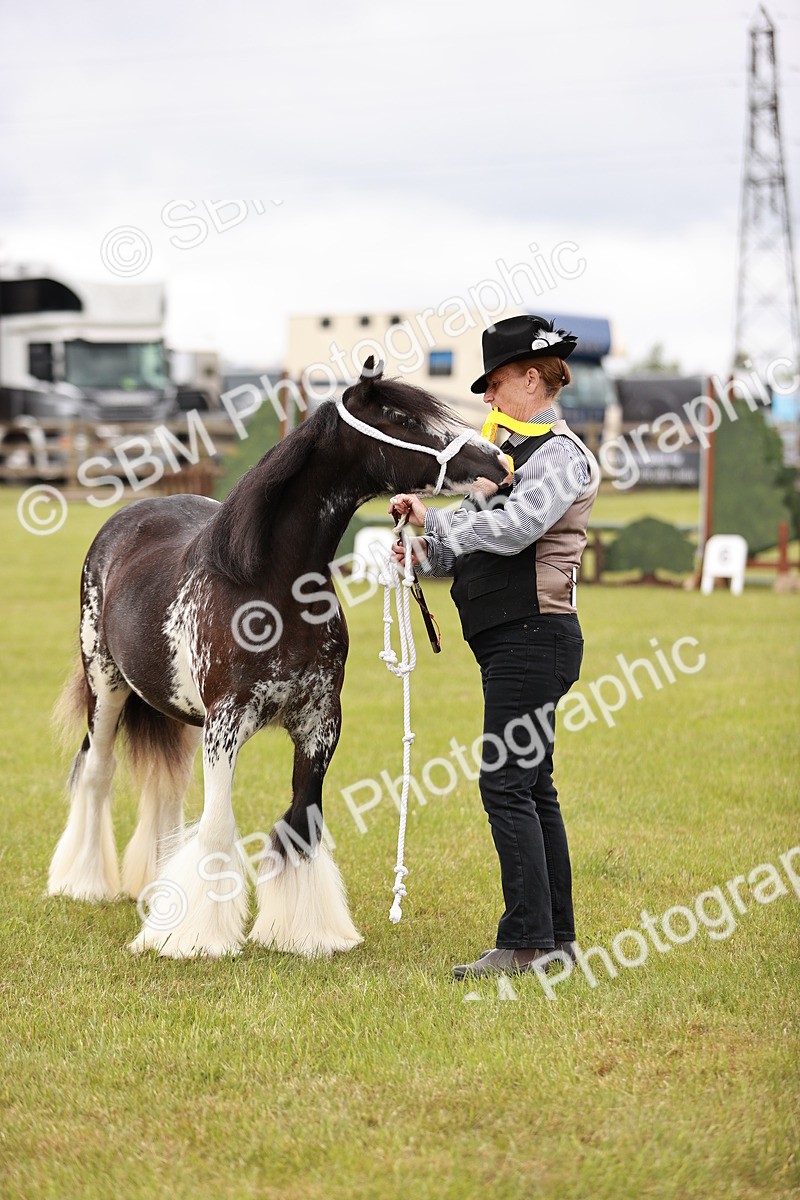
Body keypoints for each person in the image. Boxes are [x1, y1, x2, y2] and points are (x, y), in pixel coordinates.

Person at [390, 314, 600, 978]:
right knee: (532, 787)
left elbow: (516, 528)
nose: (488, 396)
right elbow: (470, 533)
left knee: (506, 784)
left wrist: (443, 524)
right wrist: (422, 542)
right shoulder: (509, 455)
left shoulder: (559, 455)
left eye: (496, 382)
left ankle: (527, 942)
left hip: (532, 637)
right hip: (519, 639)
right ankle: (554, 939)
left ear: (531, 379)